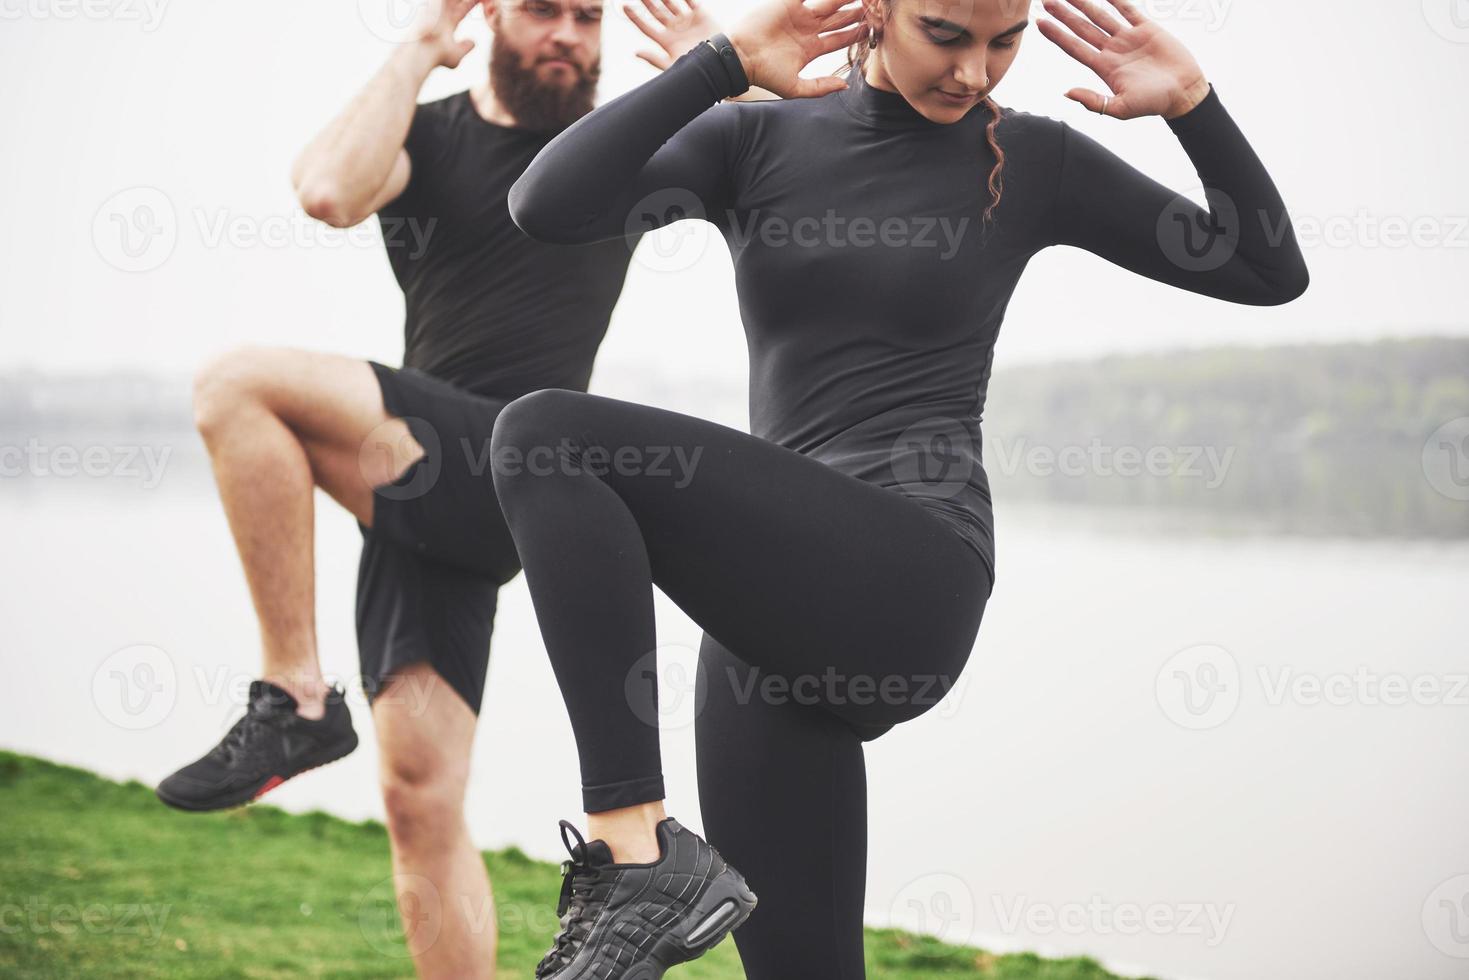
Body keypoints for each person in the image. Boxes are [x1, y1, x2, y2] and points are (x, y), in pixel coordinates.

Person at [491, 0, 1309, 976]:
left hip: (910, 574)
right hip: (770, 618)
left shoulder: (1032, 162)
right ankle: (649, 866)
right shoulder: (753, 135)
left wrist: (1190, 103)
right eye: (946, 35)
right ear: (873, 11)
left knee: (545, 435)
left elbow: (1265, 266)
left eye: (1003, 43)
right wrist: (717, 65)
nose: (974, 74)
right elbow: (545, 206)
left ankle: (634, 850)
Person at [152, 0, 755, 974]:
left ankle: (295, 698)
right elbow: (325, 189)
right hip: (424, 492)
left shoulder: (615, 154)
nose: (566, 33)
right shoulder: (425, 138)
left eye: (587, 17)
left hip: (522, 462)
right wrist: (419, 48)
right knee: (418, 798)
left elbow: (772, 162)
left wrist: (724, 73)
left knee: (236, 385)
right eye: (541, 11)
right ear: (493, 20)